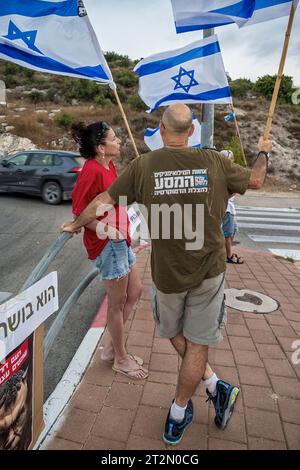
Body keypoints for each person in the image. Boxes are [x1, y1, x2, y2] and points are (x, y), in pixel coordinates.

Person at [61, 104, 271, 445]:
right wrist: (263, 152)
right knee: (197, 343)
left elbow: (102, 201)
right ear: (191, 132)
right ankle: (210, 390)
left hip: (168, 275)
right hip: (208, 273)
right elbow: (257, 180)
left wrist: (75, 223)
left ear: (160, 130)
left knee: (175, 334)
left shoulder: (144, 166)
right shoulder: (215, 161)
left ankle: (181, 409)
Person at [70, 121, 148, 380]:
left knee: (135, 291)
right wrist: (106, 231)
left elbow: (114, 200)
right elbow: (79, 213)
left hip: (121, 239)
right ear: (101, 148)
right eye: (114, 139)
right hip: (107, 244)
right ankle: (120, 358)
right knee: (117, 304)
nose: (119, 142)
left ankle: (109, 349)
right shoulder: (91, 170)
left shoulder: (109, 165)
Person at [220, 150, 243, 264]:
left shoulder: (230, 172)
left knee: (232, 231)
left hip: (231, 208)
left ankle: (226, 253)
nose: (232, 160)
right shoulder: (223, 173)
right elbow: (231, 191)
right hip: (226, 208)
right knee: (227, 234)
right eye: (231, 158)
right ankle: (228, 256)